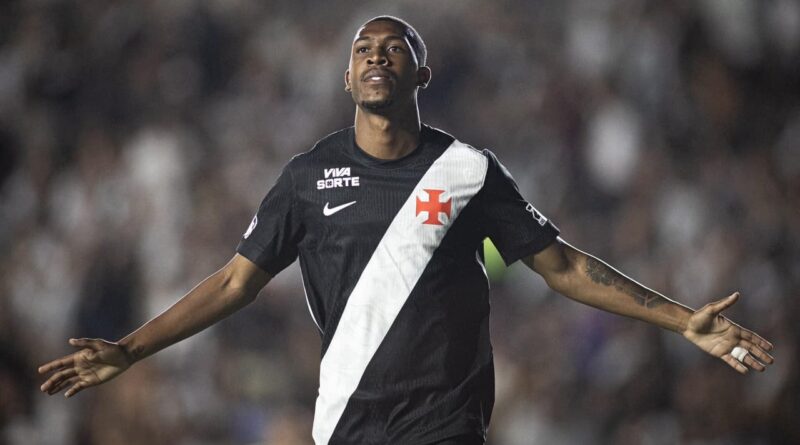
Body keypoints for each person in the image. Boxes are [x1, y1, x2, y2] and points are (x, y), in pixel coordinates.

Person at [39, 16, 774, 445]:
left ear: (422, 74)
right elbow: (235, 282)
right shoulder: (307, 176)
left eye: (395, 48)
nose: (376, 55)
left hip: (445, 425)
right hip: (348, 425)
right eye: (363, 48)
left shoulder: (467, 171)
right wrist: (129, 350)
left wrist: (683, 321)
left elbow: (564, 267)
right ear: (347, 78)